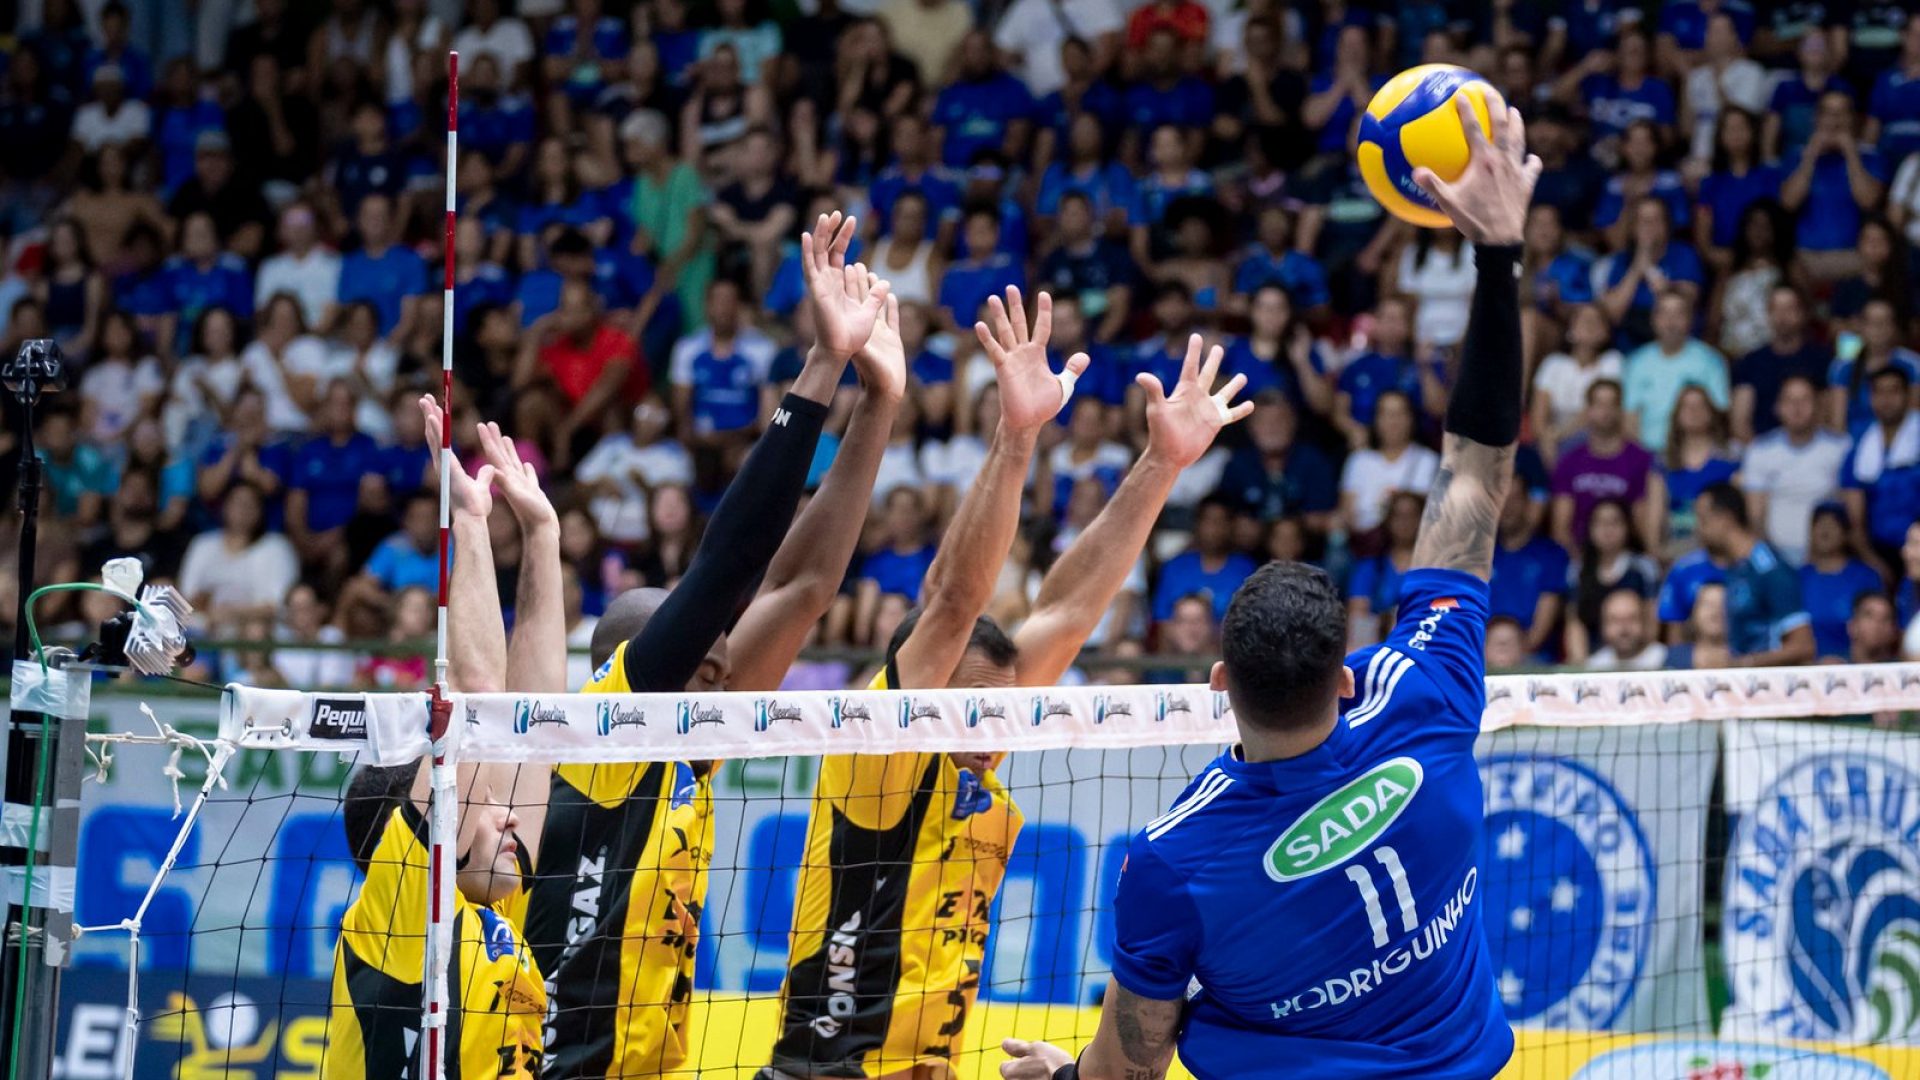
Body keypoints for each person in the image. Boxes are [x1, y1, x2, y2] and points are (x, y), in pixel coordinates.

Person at [1002, 91, 1536, 1080]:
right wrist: (1498, 257)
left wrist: (1063, 1077)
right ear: (1345, 679)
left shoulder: (1171, 861)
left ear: (1215, 681)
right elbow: (1474, 471)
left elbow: (1131, 1068)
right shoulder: (1428, 692)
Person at [768, 295, 1247, 1080]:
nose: (991, 732)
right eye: (970, 711)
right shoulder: (879, 759)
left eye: (998, 709)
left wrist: (1162, 464)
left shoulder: (981, 771)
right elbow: (953, 601)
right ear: (919, 700)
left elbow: (1065, 609)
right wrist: (1017, 436)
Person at [516, 214, 901, 1080]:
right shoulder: (602, 742)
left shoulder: (679, 758)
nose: (729, 674)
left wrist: (880, 404)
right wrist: (821, 367)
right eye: (708, 662)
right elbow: (731, 567)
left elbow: (802, 591)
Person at [1692, 481, 1816, 666]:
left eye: (1703, 521)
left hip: (1769, 687)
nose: (1699, 531)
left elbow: (1804, 646)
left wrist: (1743, 663)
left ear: (1725, 519)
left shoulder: (1769, 570)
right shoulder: (1735, 568)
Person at [1740, 374, 1851, 564]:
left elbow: (1849, 509)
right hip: (1776, 558)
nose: (1797, 408)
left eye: (1804, 400)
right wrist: (1774, 566)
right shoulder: (1759, 450)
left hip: (1829, 558)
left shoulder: (1841, 448)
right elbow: (1755, 517)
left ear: (1818, 405)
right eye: (1789, 400)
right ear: (1777, 407)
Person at [1799, 504, 1887, 660]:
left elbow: (1880, 629)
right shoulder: (1798, 578)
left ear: (1846, 534)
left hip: (1856, 667)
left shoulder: (1866, 577)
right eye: (1819, 525)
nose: (1825, 531)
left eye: (1832, 525)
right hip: (1806, 668)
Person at [1587, 587, 1670, 671]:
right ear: (1603, 626)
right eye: (1615, 621)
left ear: (1645, 622)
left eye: (1631, 619)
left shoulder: (1670, 661)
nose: (1623, 629)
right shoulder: (1594, 668)